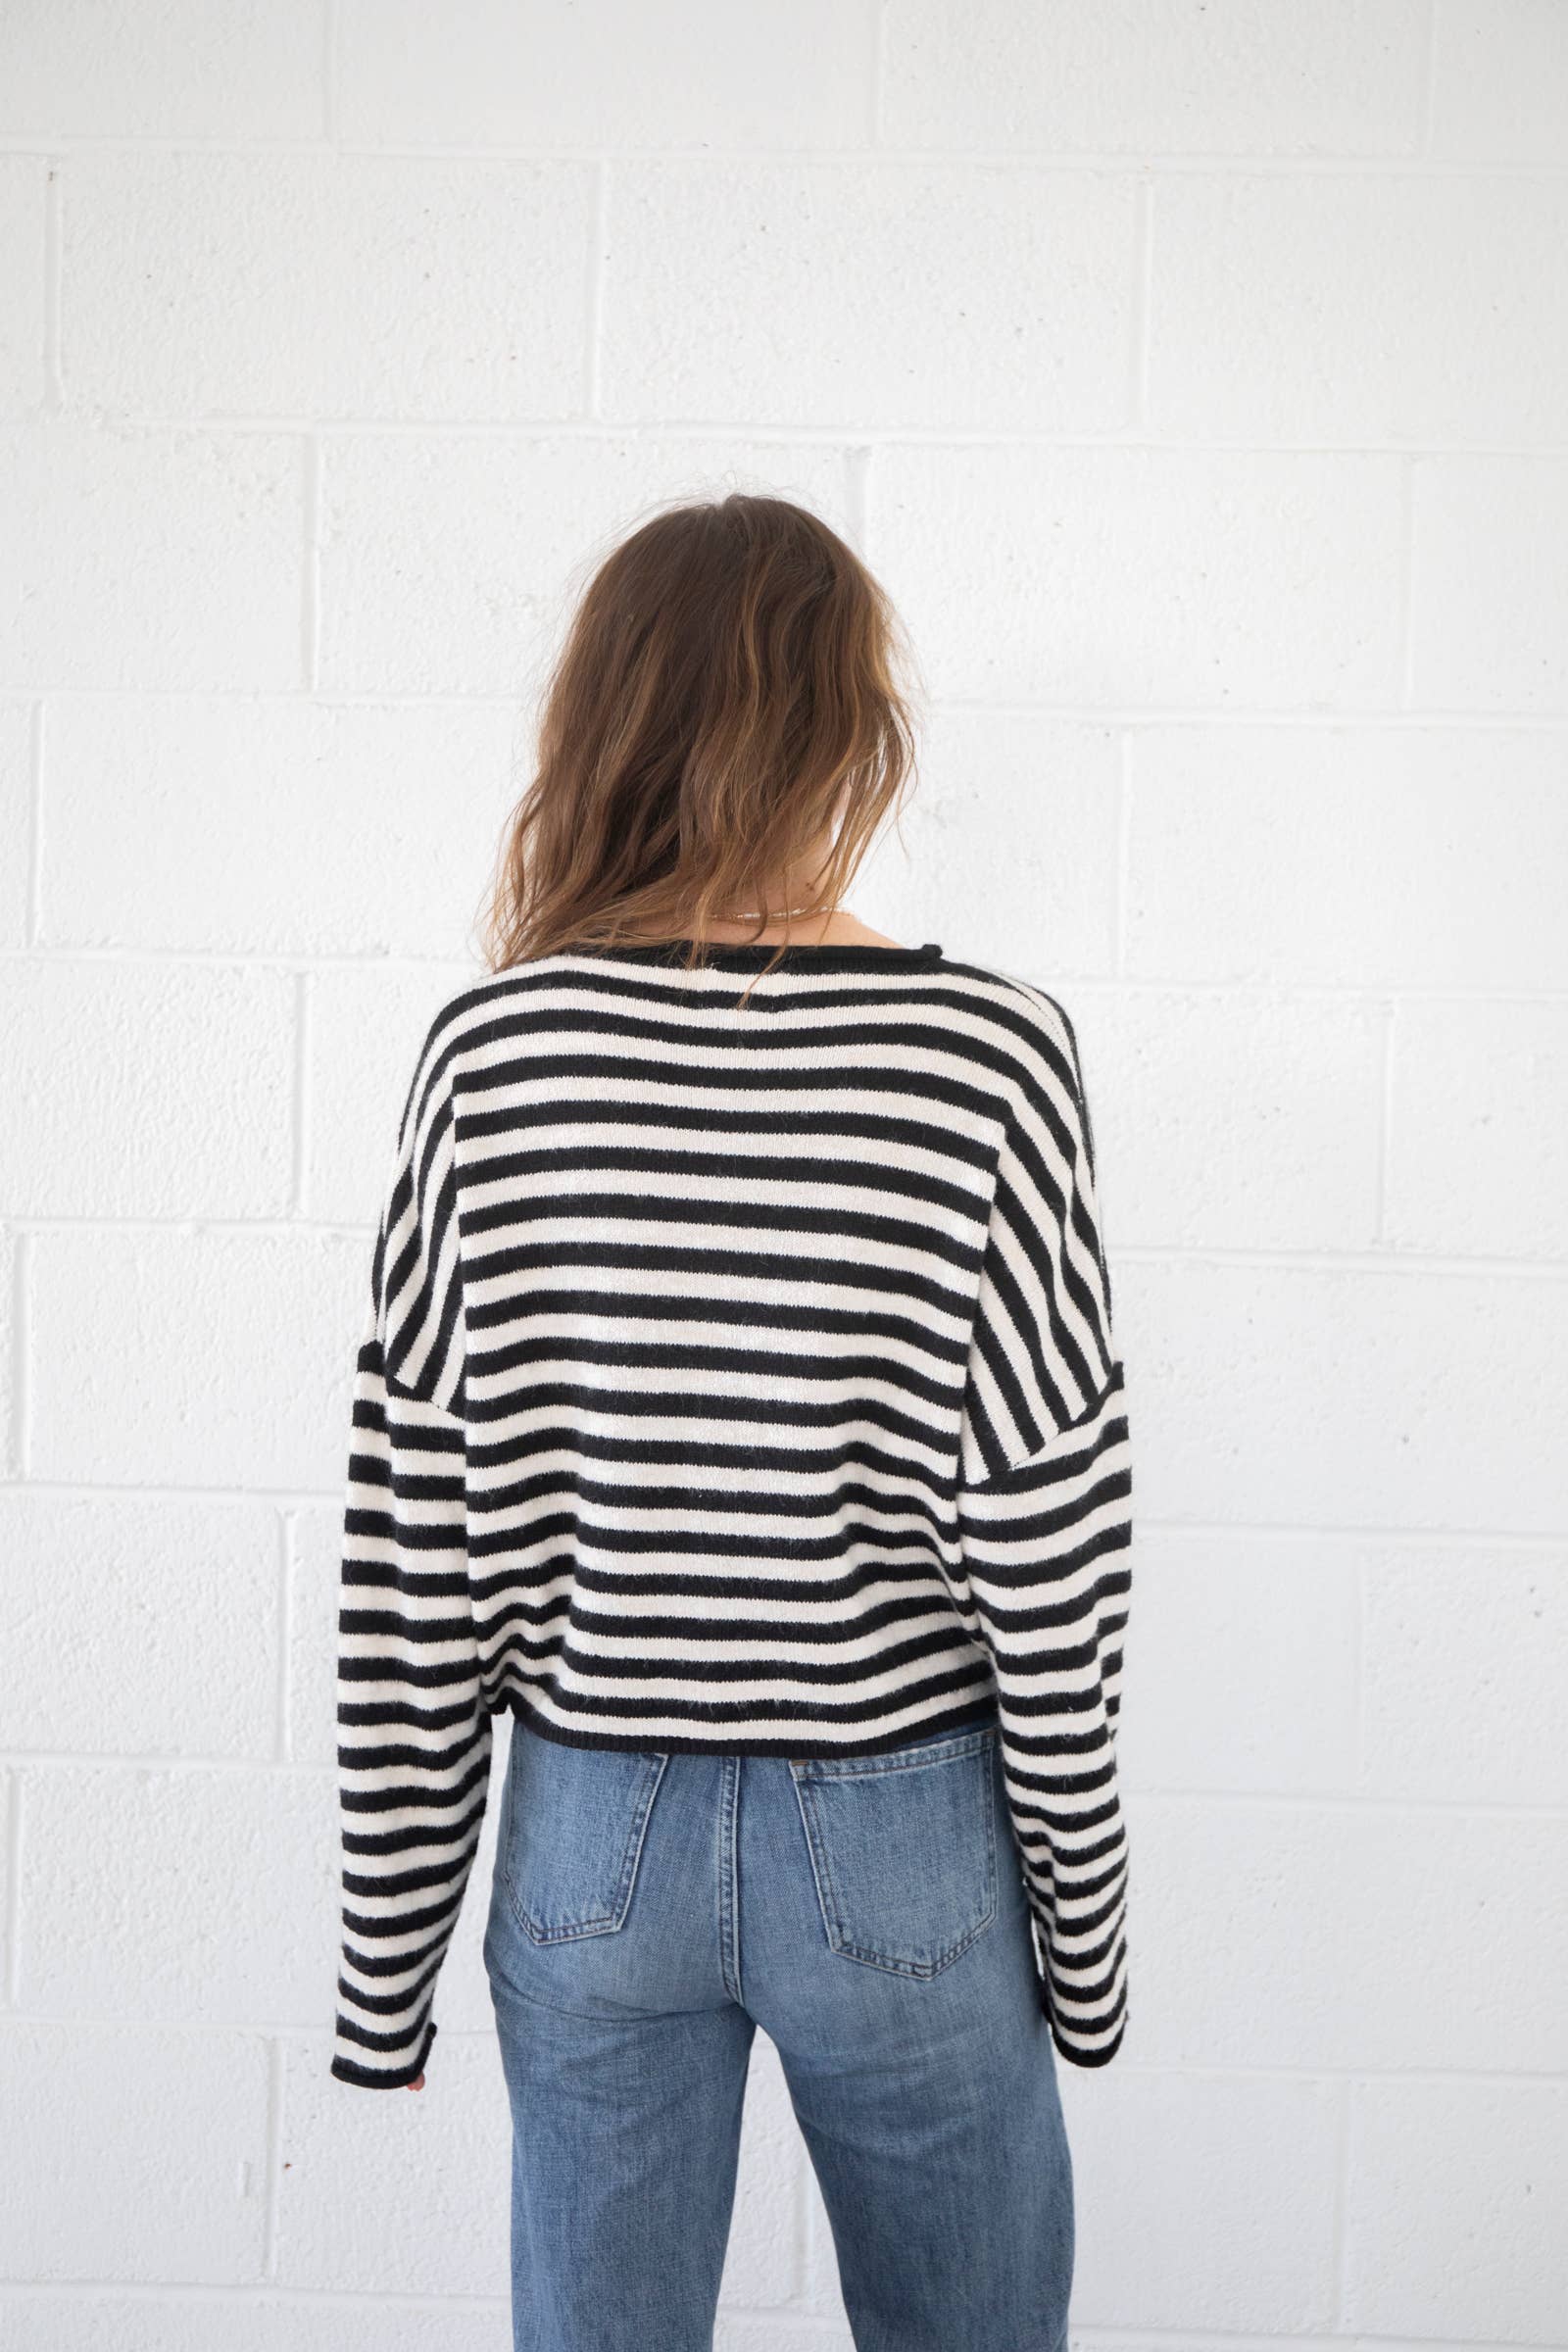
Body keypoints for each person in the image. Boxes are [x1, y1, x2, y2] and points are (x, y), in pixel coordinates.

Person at [329, 490, 1134, 2352]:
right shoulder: (989, 1059)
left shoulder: (495, 1054)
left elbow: (413, 1542)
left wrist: (389, 1972)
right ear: (853, 729)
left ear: (607, 721)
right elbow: (1048, 1540)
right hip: (910, 1839)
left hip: (589, 1827)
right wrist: (1080, 1953)